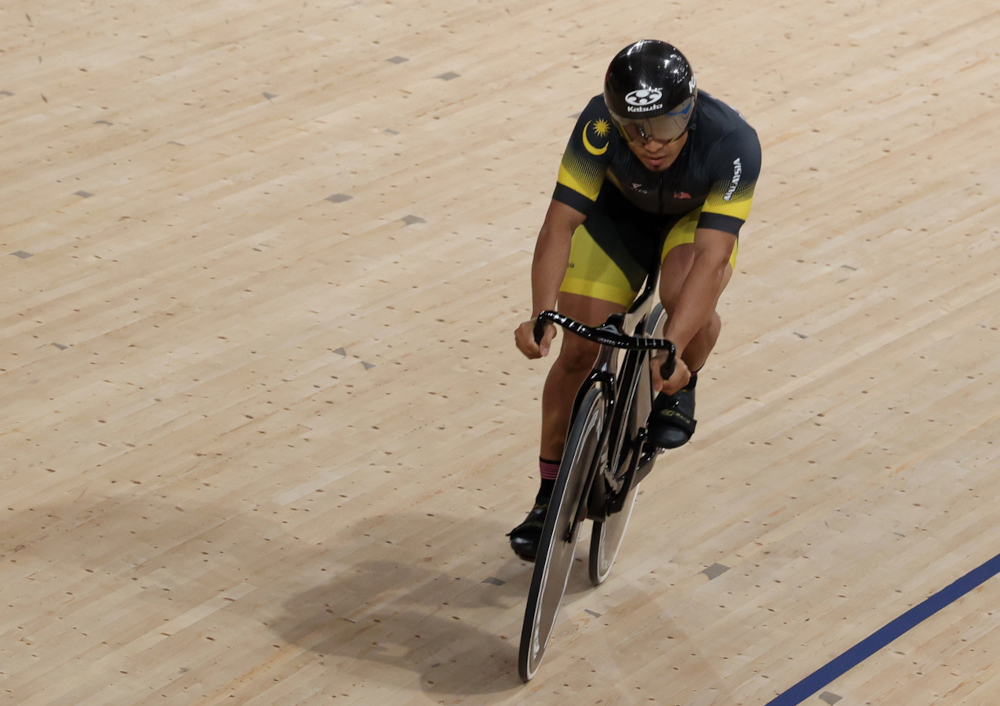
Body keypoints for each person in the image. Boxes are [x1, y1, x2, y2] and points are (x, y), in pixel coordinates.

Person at [509, 40, 761, 561]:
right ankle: (547, 496)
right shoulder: (598, 126)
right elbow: (560, 223)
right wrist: (540, 313)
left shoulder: (732, 143)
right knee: (577, 350)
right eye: (635, 129)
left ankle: (679, 384)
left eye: (666, 127)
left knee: (688, 302)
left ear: (690, 110)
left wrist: (672, 345)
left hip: (690, 228)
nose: (650, 143)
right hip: (617, 220)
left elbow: (714, 259)